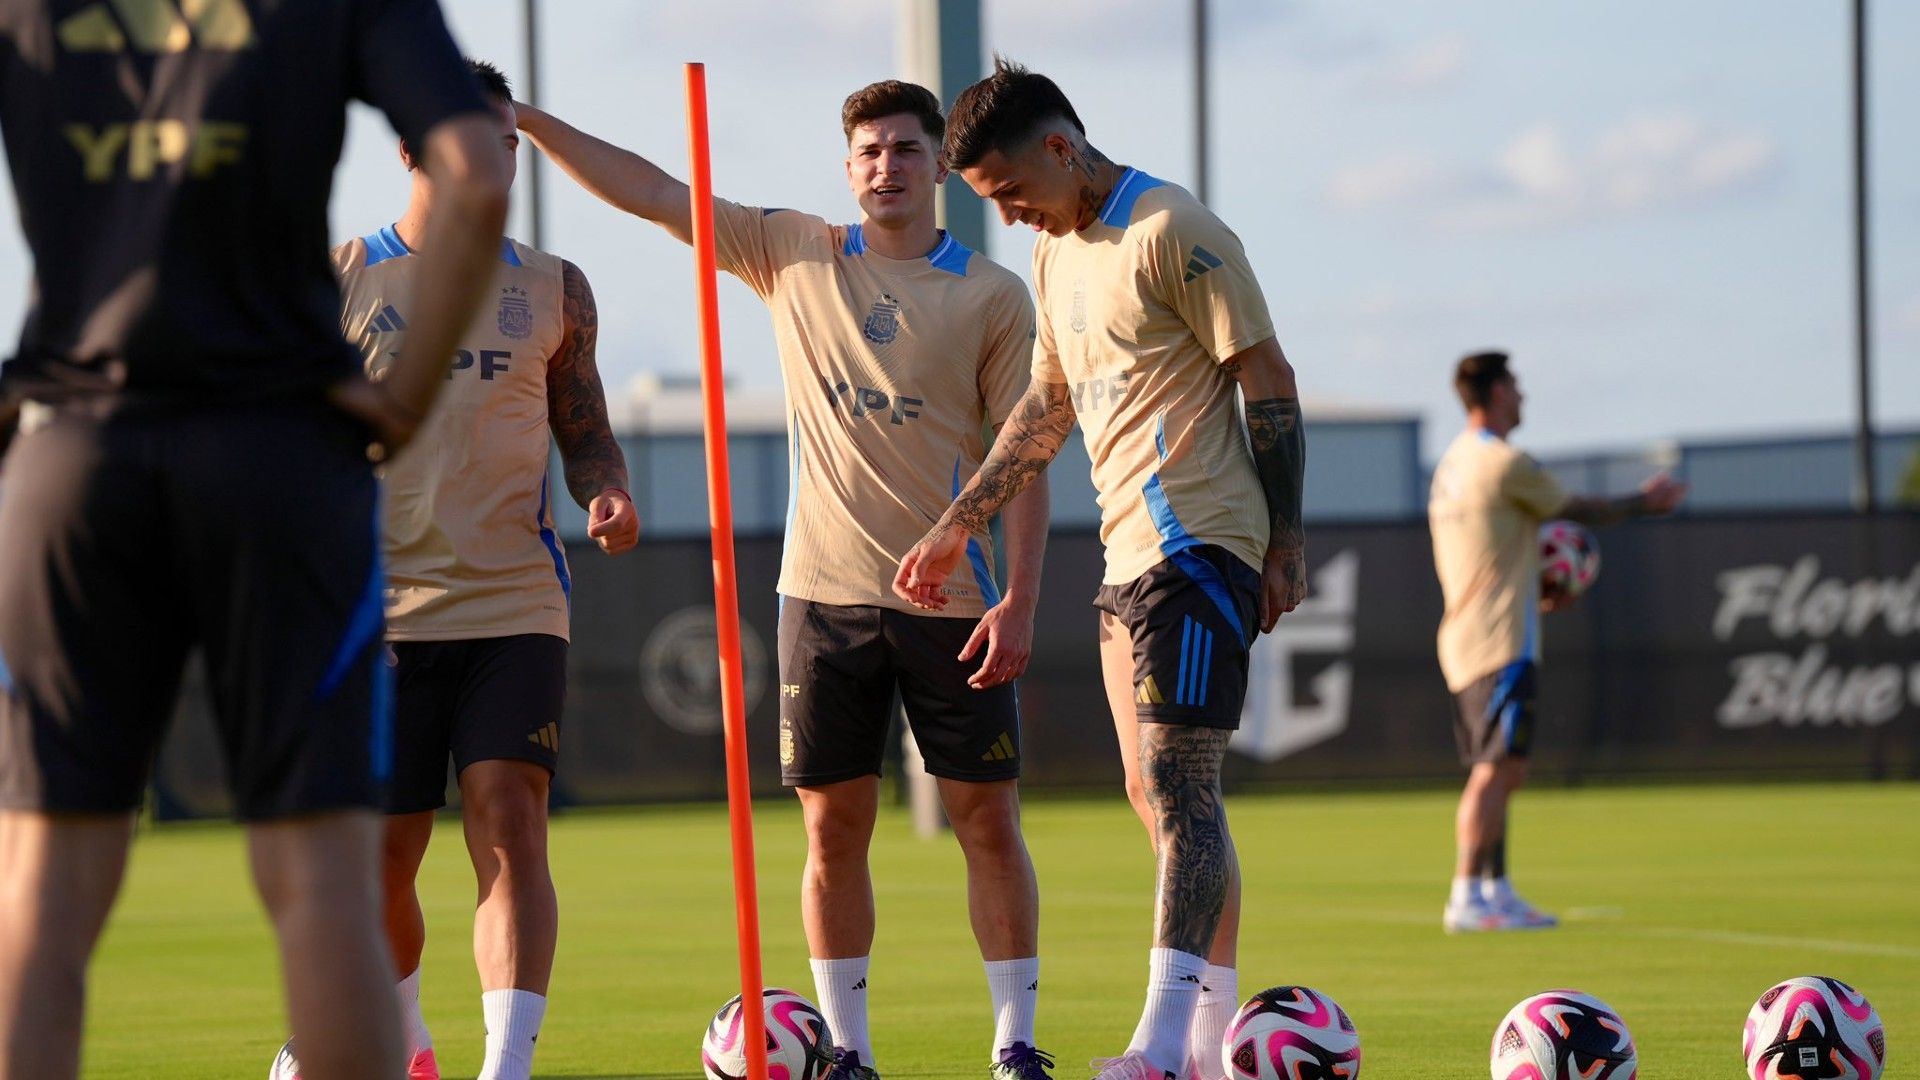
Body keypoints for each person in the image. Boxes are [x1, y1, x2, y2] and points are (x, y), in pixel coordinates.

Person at [0, 1, 511, 1077]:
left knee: (46, 875)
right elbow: (475, 170)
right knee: (322, 878)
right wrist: (404, 401)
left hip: (73, 457)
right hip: (282, 461)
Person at [515, 80, 1054, 1080]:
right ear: (848, 170)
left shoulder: (991, 294)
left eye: (906, 148)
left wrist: (1019, 598)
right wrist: (531, 123)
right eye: (870, 152)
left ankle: (1014, 1041)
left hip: (955, 603)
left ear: (940, 164)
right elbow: (654, 193)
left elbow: (1021, 458)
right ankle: (848, 1051)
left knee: (987, 820)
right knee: (831, 826)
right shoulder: (794, 251)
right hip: (823, 597)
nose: (887, 166)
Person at [895, 59, 1307, 1080]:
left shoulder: (1172, 229)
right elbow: (1045, 410)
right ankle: (1209, 1045)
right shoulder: (1053, 257)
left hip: (1200, 540)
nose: (1011, 216)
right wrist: (957, 524)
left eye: (1012, 192)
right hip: (1124, 555)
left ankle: (1161, 1046)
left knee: (1179, 784)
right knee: (1151, 789)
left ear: (1062, 147)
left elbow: (1268, 377)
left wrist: (1285, 538)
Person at [307, 59, 635, 1080]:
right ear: (413, 149)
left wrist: (607, 492)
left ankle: (508, 1066)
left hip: (515, 601)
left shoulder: (553, 287)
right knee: (382, 857)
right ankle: (408, 1042)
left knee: (511, 821)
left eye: (506, 142)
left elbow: (586, 433)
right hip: (379, 614)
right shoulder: (342, 277)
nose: (493, 159)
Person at [1427, 350, 1686, 934]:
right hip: (1498, 638)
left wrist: (1536, 581)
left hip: (1469, 633)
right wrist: (1646, 502)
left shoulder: (1454, 464)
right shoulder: (1503, 461)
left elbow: (1489, 548)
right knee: (1494, 770)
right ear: (1497, 392)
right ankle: (1466, 894)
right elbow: (1579, 508)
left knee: (1504, 768)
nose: (1522, 396)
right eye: (1515, 385)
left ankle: (1495, 888)